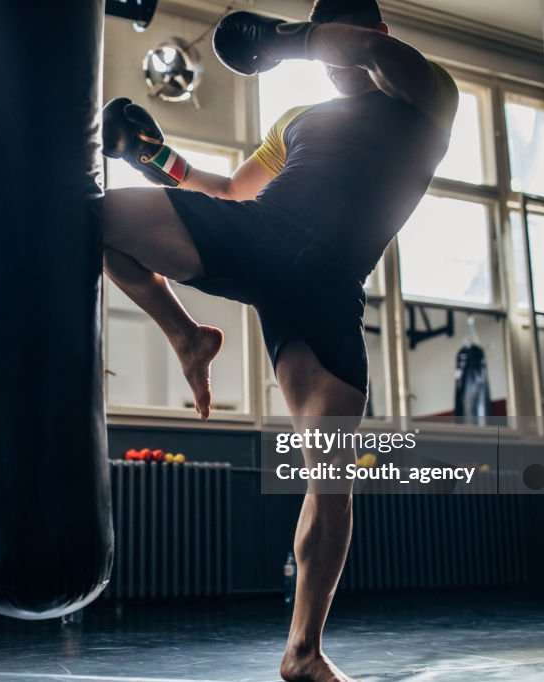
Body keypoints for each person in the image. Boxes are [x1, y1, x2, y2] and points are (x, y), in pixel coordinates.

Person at [101, 1, 457, 679]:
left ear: (375, 33)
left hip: (328, 292)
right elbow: (233, 189)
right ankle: (186, 337)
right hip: (262, 237)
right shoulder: (296, 120)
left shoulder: (428, 92)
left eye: (344, 43)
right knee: (102, 220)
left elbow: (380, 57)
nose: (335, 58)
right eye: (326, 50)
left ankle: (304, 652)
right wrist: (154, 156)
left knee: (329, 479)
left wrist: (284, 41)